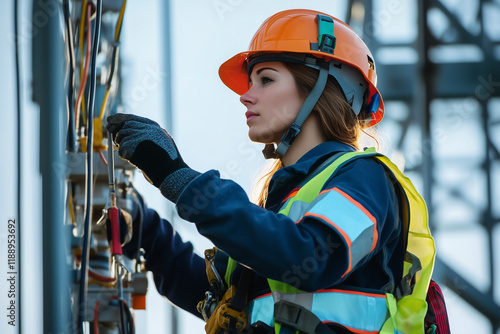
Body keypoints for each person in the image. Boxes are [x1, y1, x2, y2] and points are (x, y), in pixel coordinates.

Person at [107, 9, 435, 334]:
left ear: (320, 88)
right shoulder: (280, 207)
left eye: (266, 79)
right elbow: (215, 298)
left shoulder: (366, 178)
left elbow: (312, 256)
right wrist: (145, 229)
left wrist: (177, 176)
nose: (245, 96)